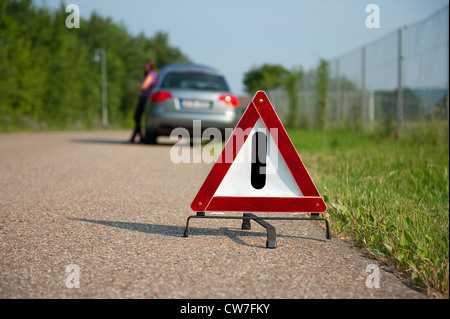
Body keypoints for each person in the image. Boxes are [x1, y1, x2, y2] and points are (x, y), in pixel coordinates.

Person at [129, 59, 158, 143]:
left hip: (146, 98)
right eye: (146, 65)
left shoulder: (151, 74)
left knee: (137, 117)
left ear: (152, 66)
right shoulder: (150, 74)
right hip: (145, 97)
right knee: (138, 117)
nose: (146, 67)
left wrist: (141, 85)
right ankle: (137, 137)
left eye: (148, 65)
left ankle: (139, 137)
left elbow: (144, 86)